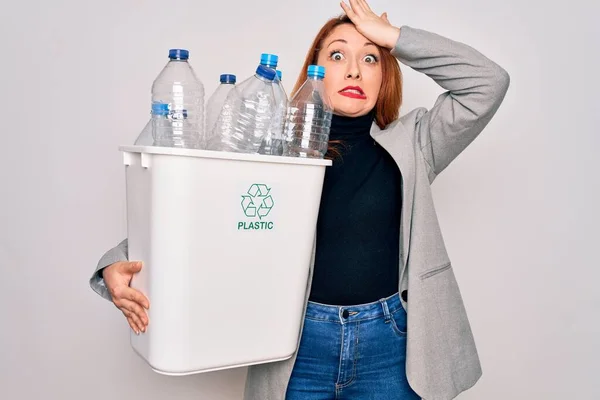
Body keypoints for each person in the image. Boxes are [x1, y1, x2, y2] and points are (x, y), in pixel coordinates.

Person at [89, 0, 510, 398]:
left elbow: (488, 83)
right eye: (337, 56)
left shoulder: (416, 143)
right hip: (296, 344)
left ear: (385, 77)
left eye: (370, 59)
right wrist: (115, 263)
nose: (354, 72)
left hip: (390, 346)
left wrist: (393, 36)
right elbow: (195, 209)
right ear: (315, 71)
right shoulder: (274, 150)